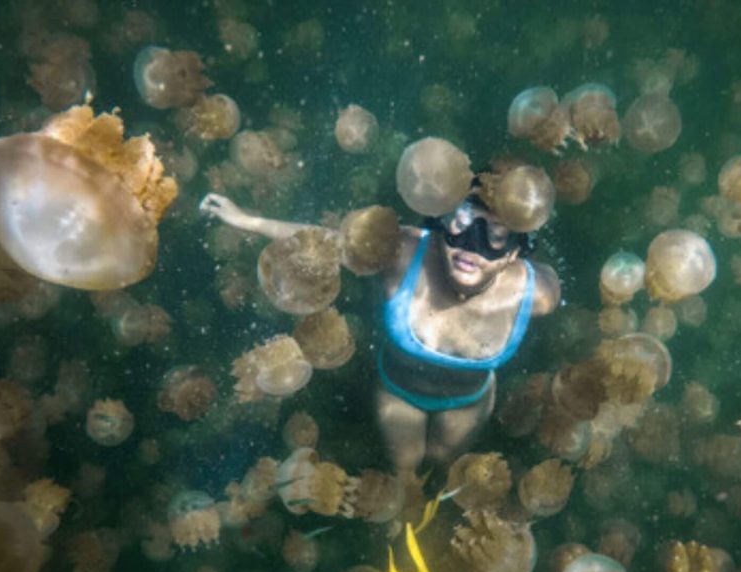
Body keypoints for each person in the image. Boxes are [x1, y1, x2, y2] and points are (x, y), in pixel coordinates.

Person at [199, 189, 560, 478]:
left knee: (443, 465)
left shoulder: (537, 294)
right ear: (443, 218)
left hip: (469, 401)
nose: (470, 244)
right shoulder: (402, 252)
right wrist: (246, 220)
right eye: (462, 221)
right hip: (398, 394)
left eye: (495, 235)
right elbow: (324, 243)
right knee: (404, 472)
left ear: (515, 252)